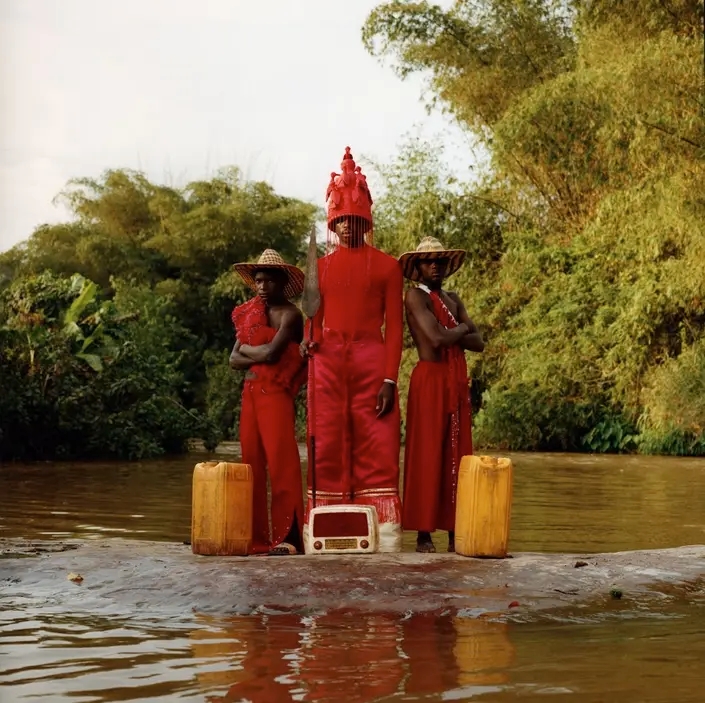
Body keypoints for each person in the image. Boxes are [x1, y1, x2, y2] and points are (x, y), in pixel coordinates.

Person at [300, 146, 404, 552]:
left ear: (366, 220)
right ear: (333, 222)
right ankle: (323, 533)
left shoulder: (387, 266)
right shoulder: (320, 268)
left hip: (371, 358)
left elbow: (394, 327)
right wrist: (309, 344)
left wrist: (390, 378)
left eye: (354, 219)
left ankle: (385, 538)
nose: (347, 226)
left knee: (378, 441)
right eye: (340, 220)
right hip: (326, 362)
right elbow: (313, 320)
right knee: (325, 442)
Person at [398, 236, 484, 553]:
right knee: (427, 450)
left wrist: (458, 334)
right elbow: (435, 338)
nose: (435, 265)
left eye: (440, 261)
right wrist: (462, 330)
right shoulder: (414, 297)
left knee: (458, 452)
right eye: (428, 261)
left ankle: (454, 530)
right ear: (418, 268)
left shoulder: (453, 298)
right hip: (430, 379)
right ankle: (423, 533)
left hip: (456, 380)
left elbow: (480, 343)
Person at [230, 249, 307, 555]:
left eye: (268, 281)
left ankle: (289, 537)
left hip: (275, 395)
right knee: (251, 464)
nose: (262, 286)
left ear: (282, 282)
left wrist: (249, 351)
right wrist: (252, 352)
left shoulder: (290, 314)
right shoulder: (250, 313)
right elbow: (233, 359)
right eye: (258, 281)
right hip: (249, 395)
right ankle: (256, 536)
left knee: (282, 463)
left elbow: (272, 355)